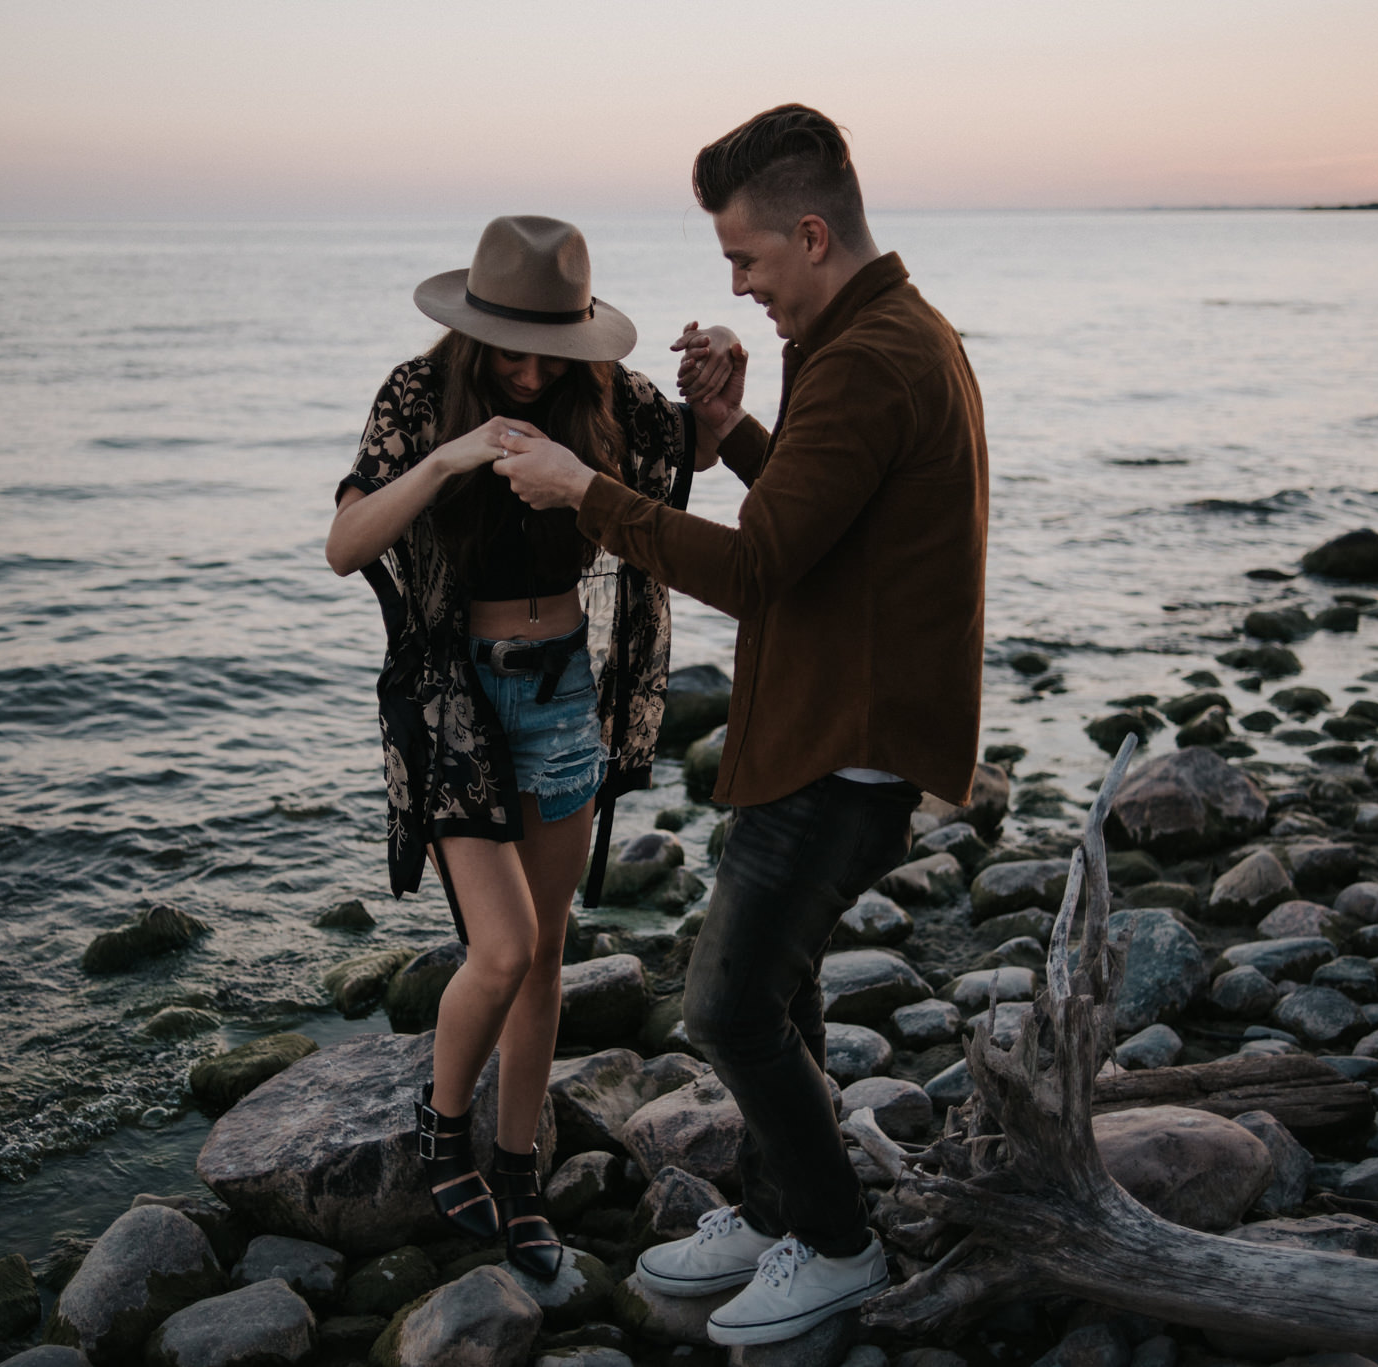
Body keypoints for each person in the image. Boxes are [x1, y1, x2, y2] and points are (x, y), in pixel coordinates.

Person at [494, 106, 989, 1343]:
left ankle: (834, 1240)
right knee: (784, 987)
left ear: (810, 235)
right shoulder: (873, 333)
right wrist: (729, 436)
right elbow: (831, 520)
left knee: (723, 1007)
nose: (739, 289)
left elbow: (764, 569)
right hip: (829, 722)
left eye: (748, 262)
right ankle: (779, 1213)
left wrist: (584, 492)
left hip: (846, 741)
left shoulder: (873, 355)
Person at [326, 215, 737, 1279]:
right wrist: (452, 457)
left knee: (548, 953)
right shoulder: (419, 397)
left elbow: (686, 453)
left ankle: (517, 1169)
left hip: (563, 696)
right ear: (472, 325)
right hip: (454, 695)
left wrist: (723, 390)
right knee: (498, 947)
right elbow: (346, 543)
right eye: (507, 343)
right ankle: (440, 1124)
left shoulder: (606, 400)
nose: (523, 366)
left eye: (545, 347)